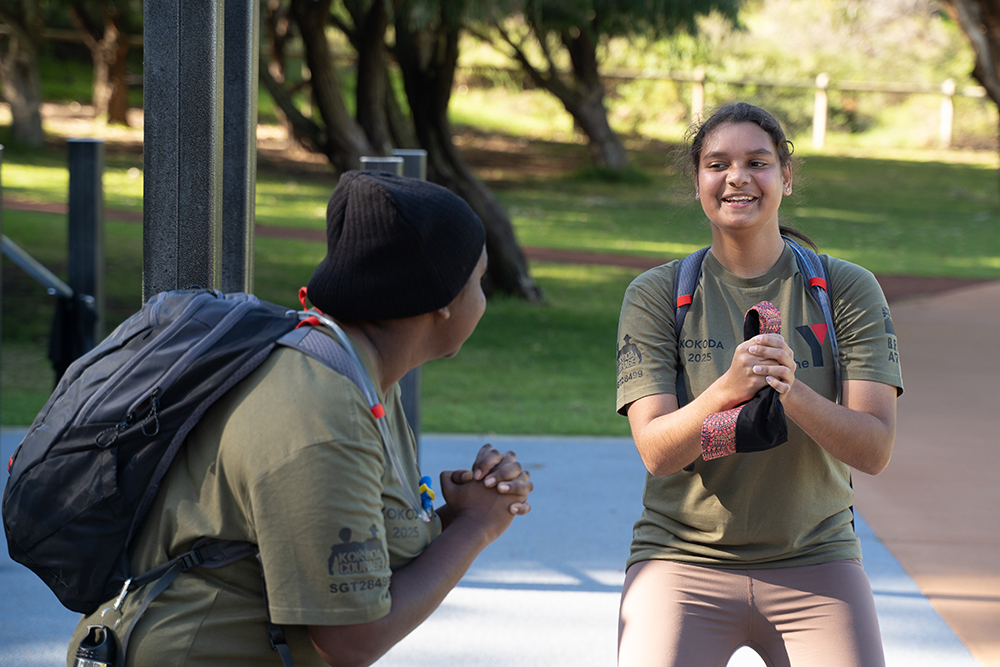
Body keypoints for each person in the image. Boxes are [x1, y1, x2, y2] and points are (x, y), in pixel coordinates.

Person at [66, 171, 534, 667]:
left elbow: (359, 567)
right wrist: (478, 526)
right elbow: (352, 637)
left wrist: (459, 516)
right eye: (478, 281)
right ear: (441, 302)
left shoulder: (357, 372)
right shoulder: (323, 413)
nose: (483, 298)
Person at [615, 102, 902, 667]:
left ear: (786, 177)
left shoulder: (844, 289)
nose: (737, 177)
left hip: (816, 558)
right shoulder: (655, 294)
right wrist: (729, 388)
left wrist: (790, 389)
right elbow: (656, 452)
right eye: (717, 164)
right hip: (681, 559)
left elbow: (874, 450)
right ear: (697, 181)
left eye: (757, 162)